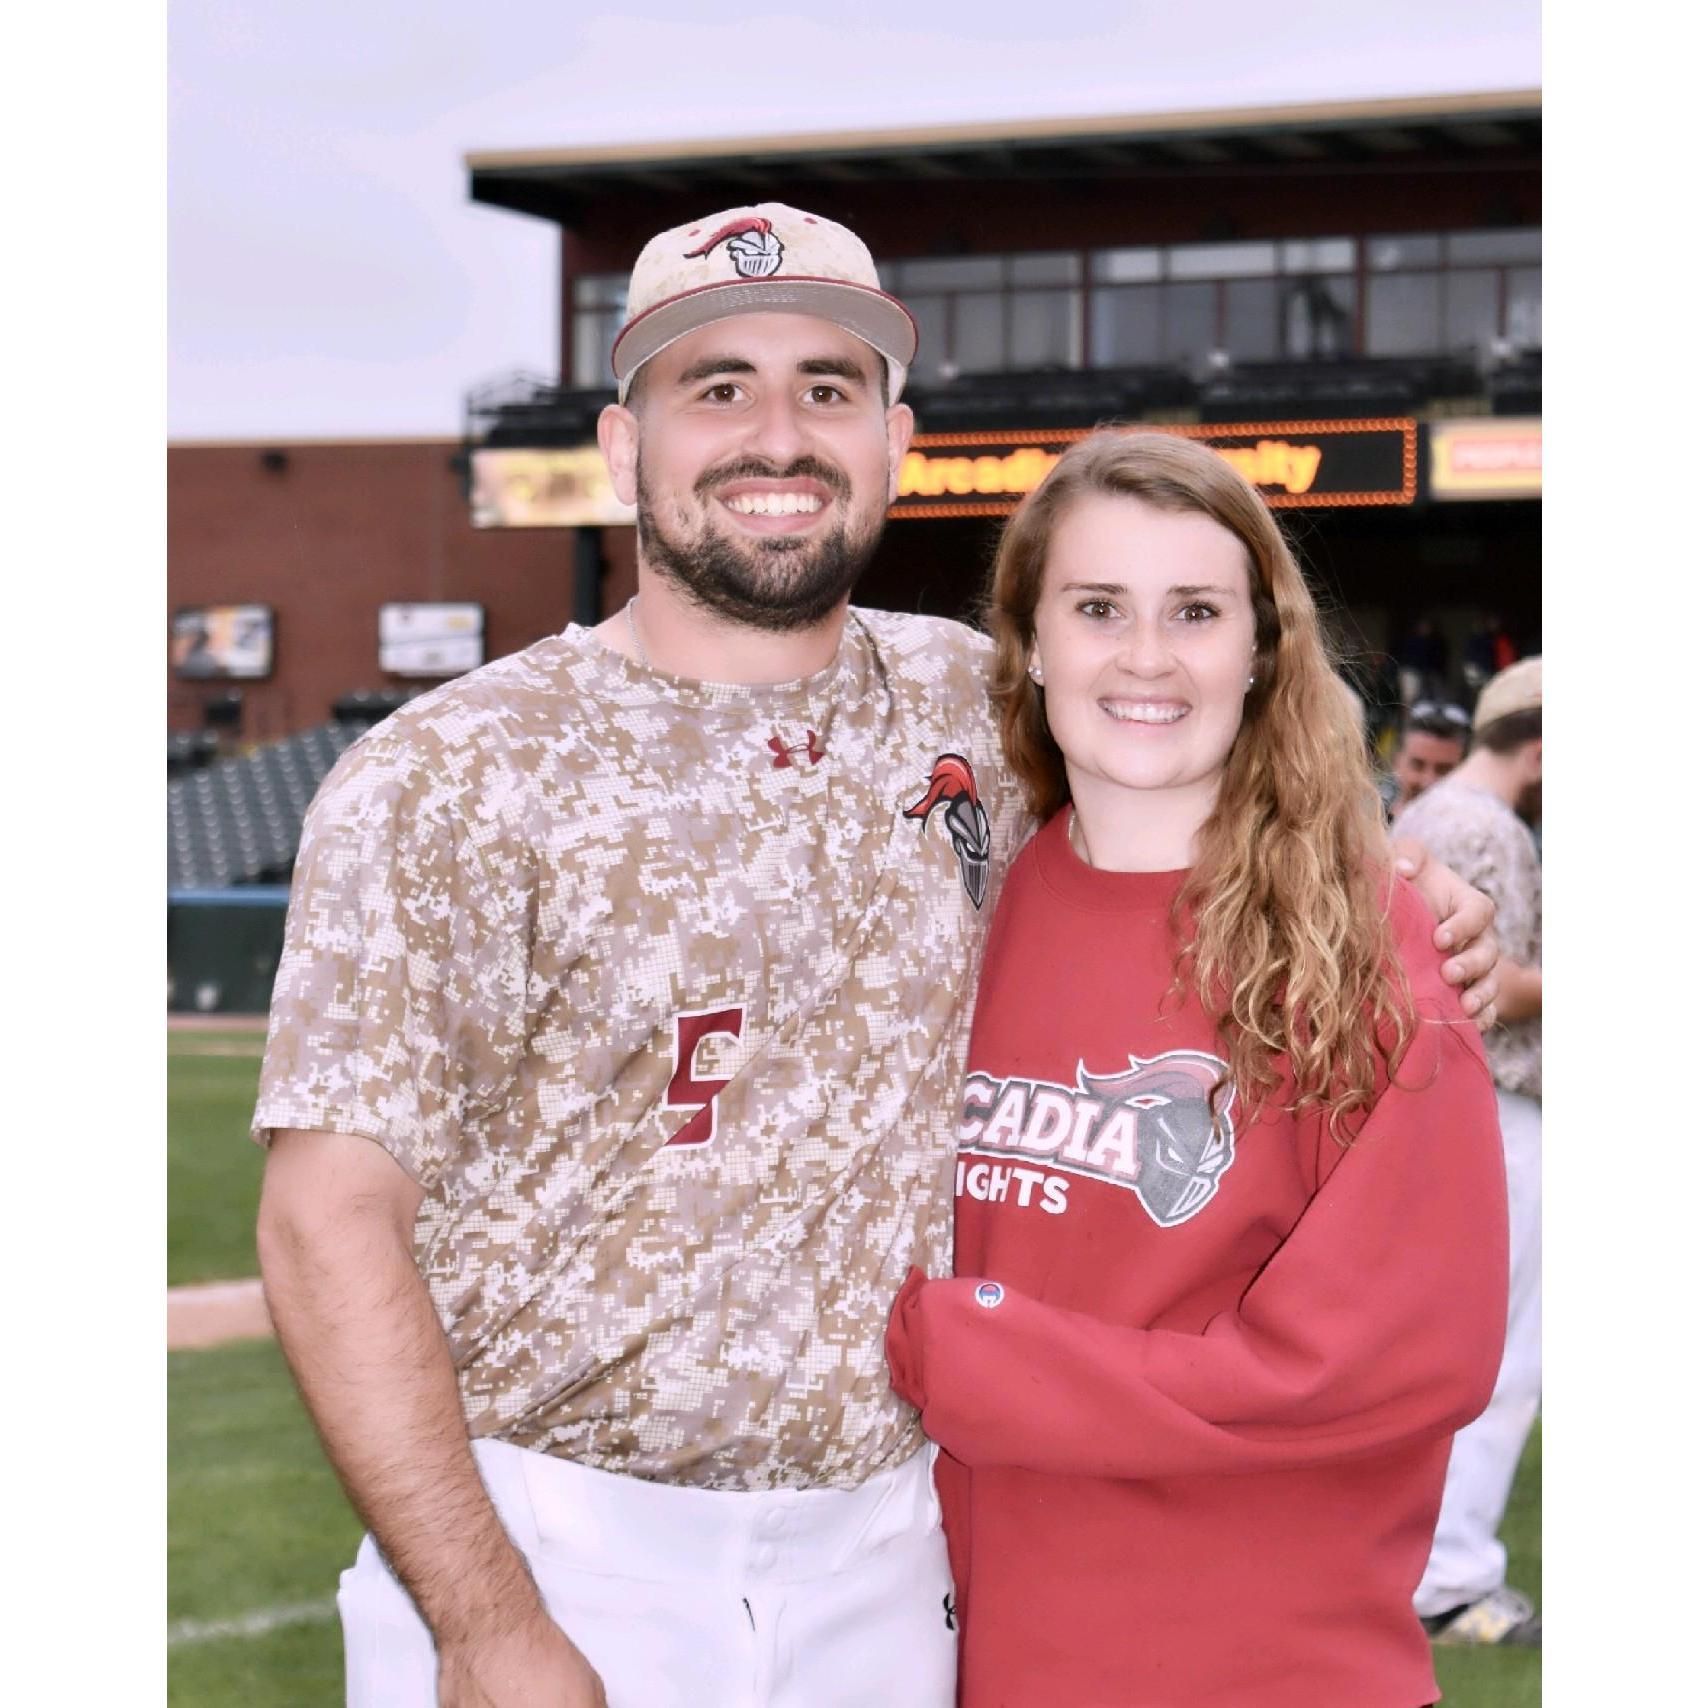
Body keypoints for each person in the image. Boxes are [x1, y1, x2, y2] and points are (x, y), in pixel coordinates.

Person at [251, 204, 1501, 1708]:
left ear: (894, 439)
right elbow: (326, 1227)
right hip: (563, 1546)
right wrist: (484, 1620)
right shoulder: (449, 768)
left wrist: (1401, 881)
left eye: (827, 390)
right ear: (618, 440)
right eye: (716, 387)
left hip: (895, 1561)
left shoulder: (976, 700)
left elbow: (1200, 759)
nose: (776, 436)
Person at [886, 430, 1509, 1707]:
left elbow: (1388, 1361)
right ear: (1030, 640)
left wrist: (983, 1357)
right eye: (1099, 607)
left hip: (1264, 1662)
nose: (1148, 657)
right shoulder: (955, 916)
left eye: (1196, 612)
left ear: (1258, 649)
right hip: (971, 1649)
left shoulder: (1368, 938)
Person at [1396, 657, 1543, 1648]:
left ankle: (1424, 1561)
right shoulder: (1480, 824)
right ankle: (1446, 1577)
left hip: (1450, 1101)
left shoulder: (1443, 810)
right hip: (1490, 1102)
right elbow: (1489, 988)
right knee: (1504, 1356)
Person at [1380, 699, 1472, 820]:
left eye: (1443, 770)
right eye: (1418, 765)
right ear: (1396, 761)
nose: (1428, 781)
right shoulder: (1368, 822)